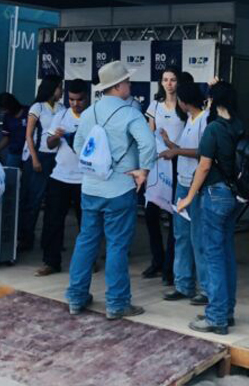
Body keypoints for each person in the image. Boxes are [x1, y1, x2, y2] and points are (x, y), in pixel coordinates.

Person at [66, 62, 153, 320]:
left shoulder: (89, 113)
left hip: (91, 187)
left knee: (86, 241)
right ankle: (117, 304)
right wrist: (143, 171)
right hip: (120, 188)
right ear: (117, 86)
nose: (130, 85)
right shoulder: (130, 113)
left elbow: (79, 145)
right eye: (126, 81)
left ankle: (75, 297)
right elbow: (147, 143)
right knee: (116, 245)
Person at [177, 81, 243, 335]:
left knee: (213, 256)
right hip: (233, 196)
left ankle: (216, 316)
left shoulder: (213, 128)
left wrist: (189, 197)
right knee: (226, 253)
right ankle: (227, 311)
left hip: (214, 195)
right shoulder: (238, 125)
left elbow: (204, 167)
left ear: (213, 101)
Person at [162, 81, 210, 304]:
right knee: (181, 236)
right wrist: (169, 144)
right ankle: (183, 285)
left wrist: (177, 150)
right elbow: (181, 149)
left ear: (183, 101)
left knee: (198, 238)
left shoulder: (204, 120)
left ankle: (206, 289)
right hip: (182, 184)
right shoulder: (190, 120)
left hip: (195, 186)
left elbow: (203, 152)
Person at [36, 79, 89, 277]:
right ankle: (51, 262)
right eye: (72, 100)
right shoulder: (60, 115)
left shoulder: (93, 118)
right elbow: (49, 145)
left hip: (85, 179)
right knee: (53, 222)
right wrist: (55, 137)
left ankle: (88, 260)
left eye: (80, 100)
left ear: (87, 96)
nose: (76, 104)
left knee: (87, 224)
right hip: (60, 176)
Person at [143, 67, 186, 284]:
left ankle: (170, 266)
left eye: (173, 80)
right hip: (158, 164)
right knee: (150, 214)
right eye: (165, 80)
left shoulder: (184, 107)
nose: (169, 84)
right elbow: (150, 135)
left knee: (173, 216)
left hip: (178, 163)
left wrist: (174, 149)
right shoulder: (155, 106)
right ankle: (157, 260)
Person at [20, 75, 63, 251]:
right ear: (51, 89)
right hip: (39, 157)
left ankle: (51, 240)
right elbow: (29, 135)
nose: (61, 91)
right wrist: (35, 158)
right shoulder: (37, 107)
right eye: (59, 87)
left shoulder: (62, 108)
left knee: (54, 203)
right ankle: (25, 237)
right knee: (33, 200)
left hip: (56, 158)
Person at [0, 92, 27, 169]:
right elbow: (6, 137)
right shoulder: (7, 117)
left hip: (29, 153)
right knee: (11, 176)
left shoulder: (28, 112)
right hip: (14, 153)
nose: (4, 111)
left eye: (5, 109)